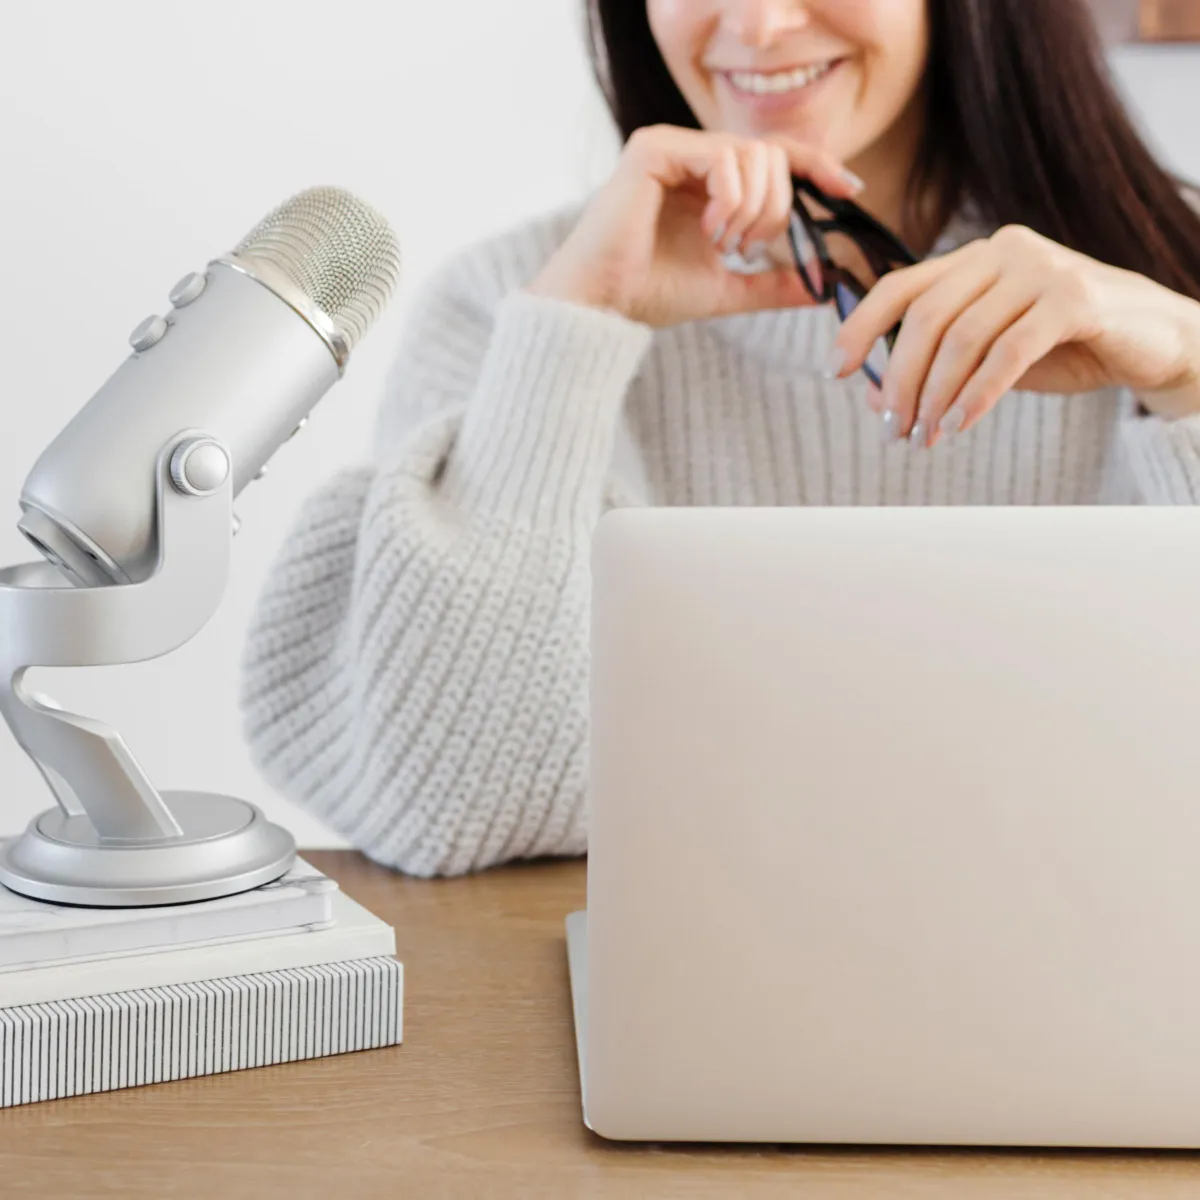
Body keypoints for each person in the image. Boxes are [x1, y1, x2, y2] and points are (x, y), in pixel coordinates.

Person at [238, 0, 1200, 878]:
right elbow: (444, 806)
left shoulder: (1160, 291)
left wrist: (1190, 379)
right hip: (665, 990)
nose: (760, 24)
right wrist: (574, 334)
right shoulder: (514, 304)